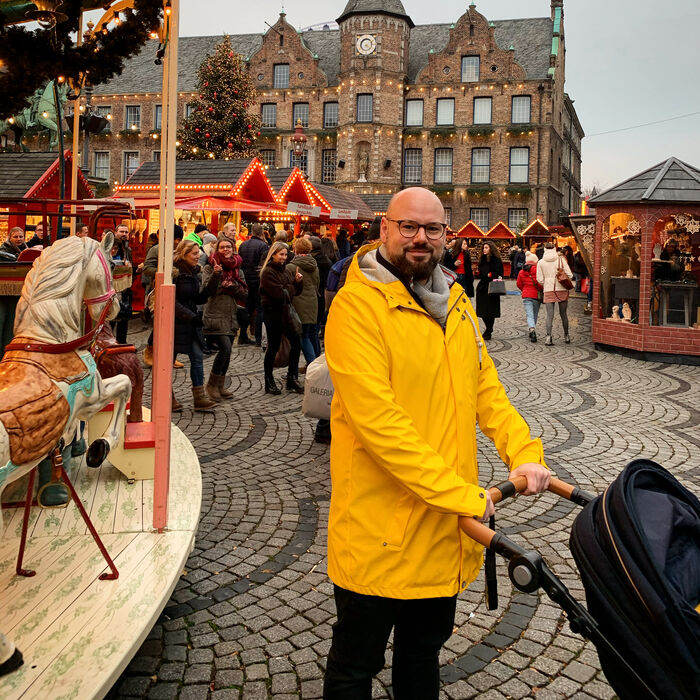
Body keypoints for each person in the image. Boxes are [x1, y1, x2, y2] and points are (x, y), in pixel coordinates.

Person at [323, 187, 550, 699]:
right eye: (408, 227)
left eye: (432, 229)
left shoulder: (456, 303)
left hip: (443, 529)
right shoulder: (358, 307)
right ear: (384, 229)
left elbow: (487, 392)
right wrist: (465, 497)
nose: (420, 238)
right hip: (379, 530)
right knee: (355, 665)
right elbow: (381, 426)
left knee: (422, 656)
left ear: (446, 234)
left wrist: (525, 452)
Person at [172, 239, 218, 411]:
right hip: (175, 323)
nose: (198, 256)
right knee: (167, 362)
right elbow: (172, 300)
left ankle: (199, 397)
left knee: (197, 357)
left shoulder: (193, 272)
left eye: (198, 253)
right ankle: (168, 397)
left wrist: (215, 279)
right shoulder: (174, 272)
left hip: (190, 323)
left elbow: (198, 298)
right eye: (194, 253)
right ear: (184, 254)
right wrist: (190, 316)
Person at [202, 238, 247, 401]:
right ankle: (211, 385)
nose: (226, 249)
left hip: (231, 314)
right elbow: (208, 290)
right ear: (217, 249)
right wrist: (217, 275)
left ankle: (220, 385)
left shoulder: (238, 269)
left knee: (228, 352)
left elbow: (244, 293)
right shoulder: (209, 266)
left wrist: (233, 287)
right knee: (225, 349)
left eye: (228, 246)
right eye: (222, 247)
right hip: (215, 313)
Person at [259, 241, 304, 395]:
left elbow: (292, 292)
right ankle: (268, 380)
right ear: (273, 255)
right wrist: (290, 288)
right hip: (273, 314)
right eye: (281, 254)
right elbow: (280, 294)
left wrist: (298, 282)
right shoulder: (268, 272)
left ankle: (292, 377)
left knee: (297, 344)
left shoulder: (284, 270)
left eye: (285, 254)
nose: (284, 257)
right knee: (273, 347)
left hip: (286, 313)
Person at [287, 237, 319, 366]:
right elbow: (317, 283)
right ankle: (315, 364)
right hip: (312, 302)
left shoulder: (291, 266)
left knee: (302, 337)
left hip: (298, 303)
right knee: (309, 334)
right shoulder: (314, 265)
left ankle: (312, 365)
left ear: (295, 249)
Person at [536, 242, 573, 346]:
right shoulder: (561, 259)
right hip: (562, 289)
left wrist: (547, 283)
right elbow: (570, 274)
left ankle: (548, 337)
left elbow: (539, 279)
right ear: (555, 249)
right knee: (563, 314)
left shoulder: (541, 262)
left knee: (549, 315)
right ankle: (566, 336)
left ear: (544, 250)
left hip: (548, 289)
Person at [239, 223, 269, 346]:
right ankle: (258, 338)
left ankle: (242, 334)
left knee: (247, 308)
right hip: (257, 281)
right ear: (261, 233)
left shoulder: (243, 245)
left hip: (245, 280)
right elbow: (264, 264)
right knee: (259, 309)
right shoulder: (263, 246)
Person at [475, 241, 504, 340]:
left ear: (491, 249)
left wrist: (490, 275)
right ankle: (488, 328)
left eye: (486, 248)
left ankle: (489, 330)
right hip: (482, 287)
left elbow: (499, 273)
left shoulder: (496, 260)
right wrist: (478, 273)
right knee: (482, 310)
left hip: (492, 287)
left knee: (491, 310)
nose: (484, 249)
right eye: (483, 248)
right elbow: (481, 273)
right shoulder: (482, 259)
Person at [110, 223, 133, 344]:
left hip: (123, 292)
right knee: (110, 321)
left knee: (123, 321)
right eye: (121, 232)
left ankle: (121, 344)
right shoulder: (106, 250)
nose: (124, 234)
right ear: (116, 232)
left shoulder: (128, 250)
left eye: (126, 232)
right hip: (110, 292)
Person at [516, 251, 543, 342]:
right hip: (536, 295)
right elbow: (540, 283)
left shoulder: (521, 271)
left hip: (526, 295)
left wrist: (524, 289)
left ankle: (532, 329)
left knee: (529, 314)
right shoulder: (538, 270)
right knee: (534, 314)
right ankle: (532, 329)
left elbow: (519, 284)